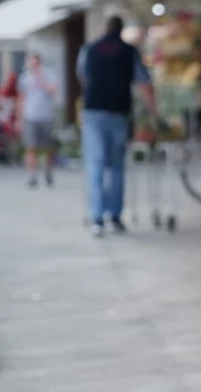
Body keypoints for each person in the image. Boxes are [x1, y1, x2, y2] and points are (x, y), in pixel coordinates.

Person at [78, 16, 155, 238]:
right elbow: (145, 83)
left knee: (96, 163)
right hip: (118, 111)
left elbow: (82, 75)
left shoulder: (89, 49)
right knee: (116, 166)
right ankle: (115, 216)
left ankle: (97, 218)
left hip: (93, 111)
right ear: (121, 30)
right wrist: (153, 113)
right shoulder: (129, 51)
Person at [17, 54, 59, 188]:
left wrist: (40, 78)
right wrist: (19, 118)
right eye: (31, 64)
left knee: (48, 148)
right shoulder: (24, 78)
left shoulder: (49, 75)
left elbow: (53, 90)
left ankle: (48, 171)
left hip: (46, 116)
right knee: (31, 147)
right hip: (30, 117)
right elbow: (21, 98)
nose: (33, 67)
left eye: (35, 64)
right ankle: (32, 176)